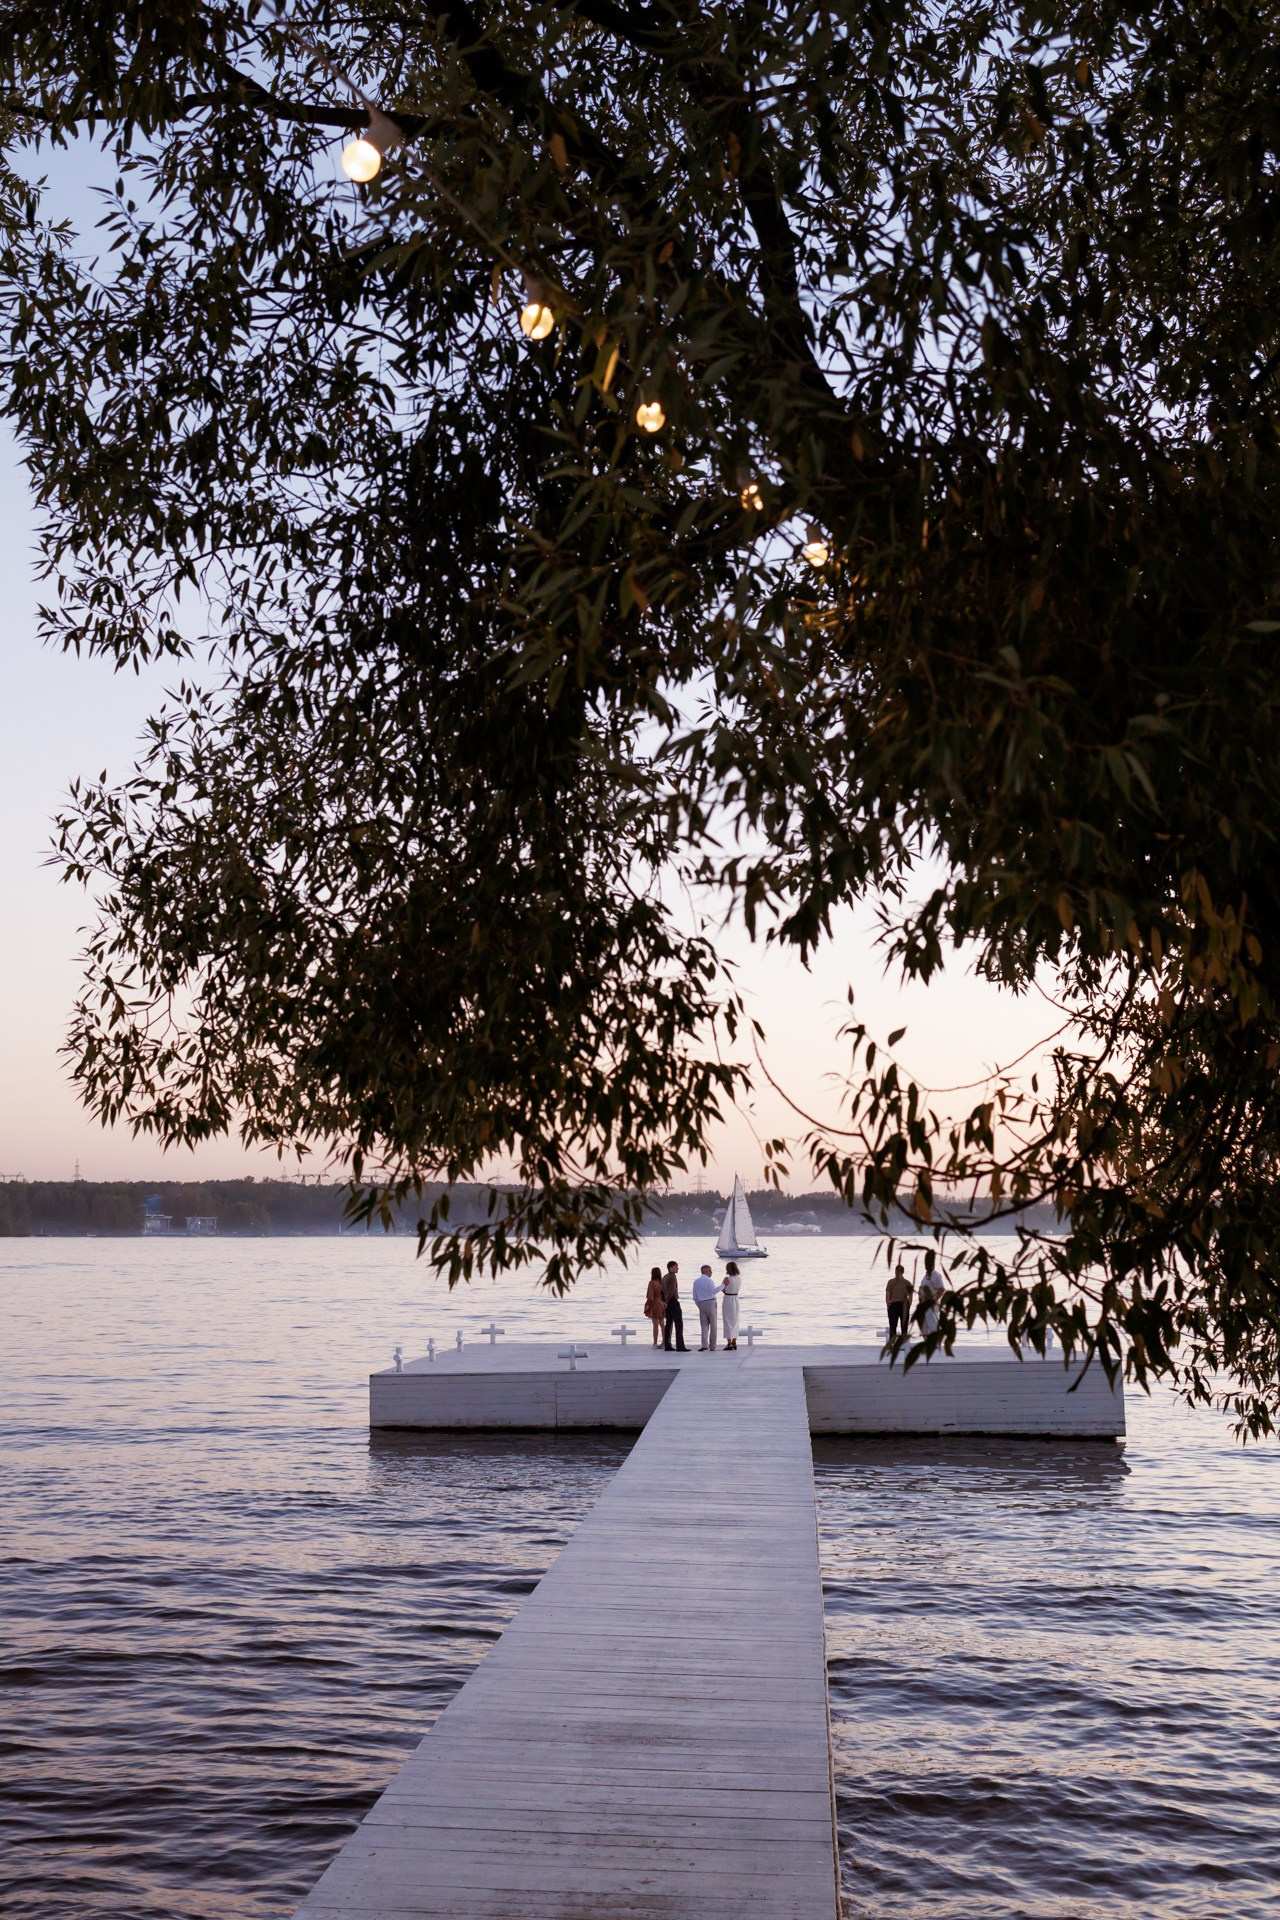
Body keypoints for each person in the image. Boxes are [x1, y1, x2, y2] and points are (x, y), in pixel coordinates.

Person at [692, 1264, 719, 1351]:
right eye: (710, 1270)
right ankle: (712, 1346)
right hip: (710, 1302)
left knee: (704, 1325)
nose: (711, 1272)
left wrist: (699, 1305)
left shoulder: (696, 1282)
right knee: (713, 1325)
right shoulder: (709, 1281)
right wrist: (723, 1285)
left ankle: (704, 1345)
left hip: (701, 1303)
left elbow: (695, 1296)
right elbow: (713, 1291)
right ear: (705, 1271)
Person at [662, 1260, 687, 1352]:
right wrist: (667, 1301)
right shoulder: (672, 1277)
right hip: (672, 1301)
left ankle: (667, 1345)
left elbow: (662, 1291)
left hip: (666, 1302)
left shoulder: (664, 1277)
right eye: (676, 1266)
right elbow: (671, 1290)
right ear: (671, 1268)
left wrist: (664, 1301)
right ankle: (680, 1346)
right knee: (678, 1323)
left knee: (668, 1323)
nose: (677, 1268)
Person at [918, 1250, 944, 1334]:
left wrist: (933, 1301)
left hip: (931, 1305)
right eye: (926, 1264)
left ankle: (936, 1342)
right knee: (924, 1328)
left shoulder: (936, 1275)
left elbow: (941, 1290)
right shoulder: (926, 1276)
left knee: (933, 1327)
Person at [885, 1261, 912, 1339]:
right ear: (903, 1272)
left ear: (895, 1271)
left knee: (893, 1327)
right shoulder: (907, 1283)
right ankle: (904, 1342)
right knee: (904, 1327)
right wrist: (908, 1307)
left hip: (894, 1305)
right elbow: (910, 1297)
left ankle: (892, 1343)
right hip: (904, 1305)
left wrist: (888, 1305)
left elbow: (887, 1295)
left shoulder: (891, 1282)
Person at [721, 1260, 741, 1350]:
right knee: (735, 1320)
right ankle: (734, 1341)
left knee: (727, 1320)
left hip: (728, 1299)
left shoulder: (727, 1279)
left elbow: (722, 1288)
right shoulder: (739, 1279)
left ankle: (729, 1343)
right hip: (736, 1298)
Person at [643, 1265, 666, 1347]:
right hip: (662, 1303)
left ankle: (655, 1343)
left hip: (655, 1304)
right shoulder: (662, 1282)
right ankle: (664, 1341)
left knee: (655, 1324)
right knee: (662, 1324)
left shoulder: (651, 1283)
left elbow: (650, 1297)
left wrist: (647, 1305)